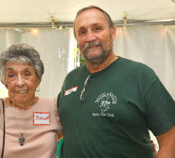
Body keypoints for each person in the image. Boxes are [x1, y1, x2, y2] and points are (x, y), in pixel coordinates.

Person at [57, 5, 175, 158]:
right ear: (77, 39)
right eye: (82, 32)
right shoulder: (70, 79)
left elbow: (171, 138)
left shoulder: (140, 76)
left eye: (97, 28)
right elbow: (62, 127)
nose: (90, 37)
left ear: (113, 32)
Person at [0, 43, 62, 158]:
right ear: (4, 81)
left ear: (38, 79)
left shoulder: (54, 107)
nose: (20, 83)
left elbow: (78, 142)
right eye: (11, 75)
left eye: (27, 74)